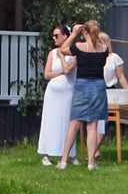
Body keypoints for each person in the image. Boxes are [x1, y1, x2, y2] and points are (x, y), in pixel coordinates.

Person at [64, 19, 112, 171]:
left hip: (82, 85)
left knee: (74, 124)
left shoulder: (79, 46)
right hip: (98, 86)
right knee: (92, 126)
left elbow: (63, 49)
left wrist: (73, 34)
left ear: (85, 32)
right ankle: (91, 162)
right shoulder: (103, 48)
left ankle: (63, 160)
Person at [36, 25, 76, 166]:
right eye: (53, 36)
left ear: (65, 36)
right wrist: (59, 73)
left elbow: (68, 70)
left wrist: (62, 57)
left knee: (67, 122)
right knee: (50, 121)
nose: (54, 38)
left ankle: (70, 154)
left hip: (68, 91)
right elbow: (47, 74)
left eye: (57, 35)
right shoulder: (52, 53)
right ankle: (46, 153)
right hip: (53, 92)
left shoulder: (73, 52)